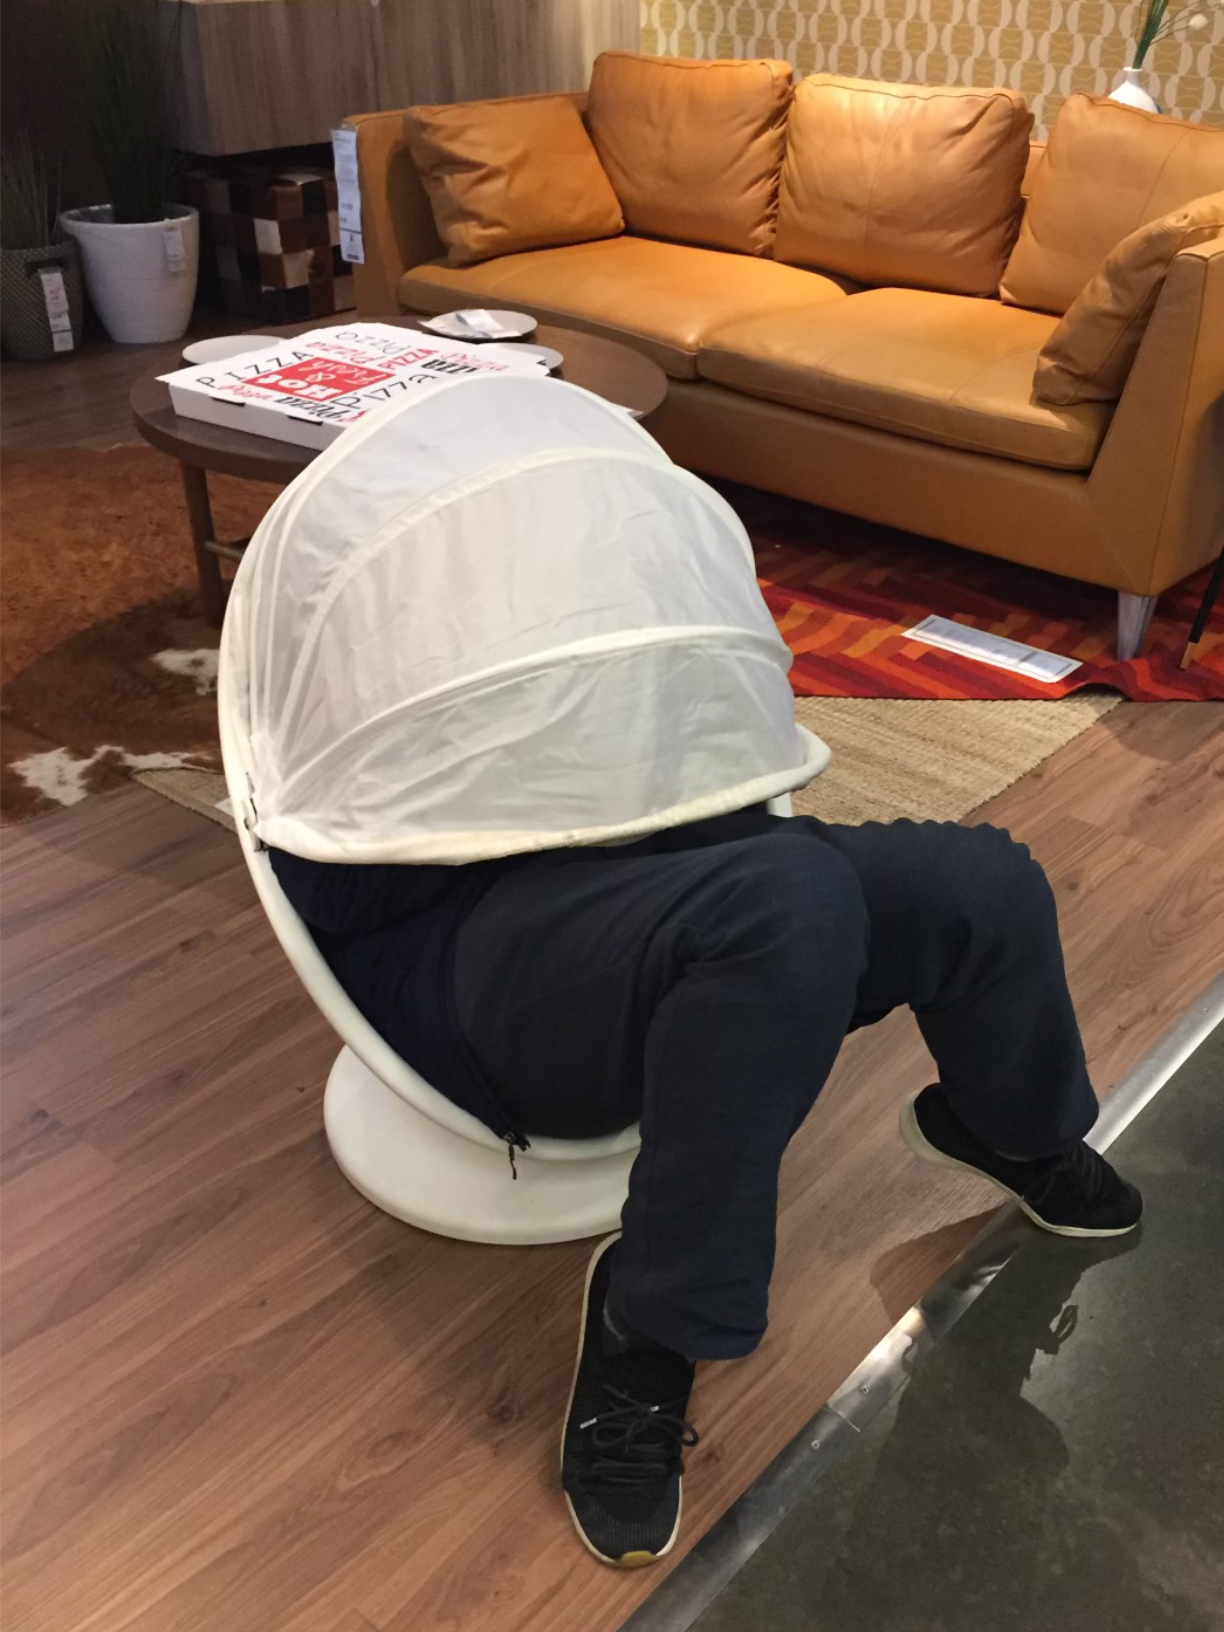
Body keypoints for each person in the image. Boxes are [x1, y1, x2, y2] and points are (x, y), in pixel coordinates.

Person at [270, 798, 1142, 1570]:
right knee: (787, 904)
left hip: (632, 837)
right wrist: (509, 779)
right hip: (455, 920)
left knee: (975, 882)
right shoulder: (327, 633)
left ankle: (1004, 1127)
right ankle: (648, 1320)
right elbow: (320, 874)